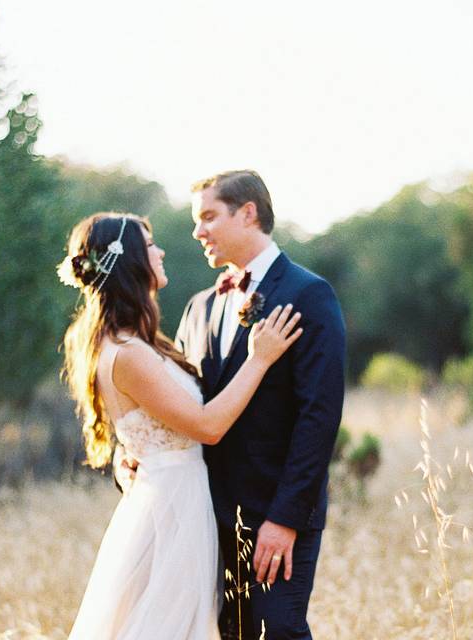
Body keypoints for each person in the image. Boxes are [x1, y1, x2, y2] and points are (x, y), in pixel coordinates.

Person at [58, 211, 302, 640]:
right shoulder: (127, 351)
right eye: (151, 246)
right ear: (131, 260)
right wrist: (259, 357)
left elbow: (147, 420)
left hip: (178, 498)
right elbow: (206, 426)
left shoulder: (137, 341)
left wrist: (127, 450)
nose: (161, 251)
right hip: (171, 510)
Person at [172, 170, 346, 640]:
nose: (198, 231)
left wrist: (284, 519)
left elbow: (320, 416)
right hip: (205, 516)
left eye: (208, 216)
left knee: (278, 633)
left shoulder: (309, 295)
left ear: (248, 213)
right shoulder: (198, 308)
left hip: (274, 516)